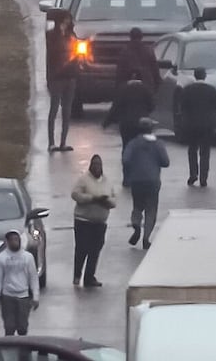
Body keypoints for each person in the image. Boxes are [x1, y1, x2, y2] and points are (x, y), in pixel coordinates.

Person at [121, 119, 170, 250]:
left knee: (137, 206)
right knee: (151, 210)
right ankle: (146, 238)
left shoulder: (133, 143)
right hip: (153, 180)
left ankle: (136, 224)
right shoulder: (158, 144)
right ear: (151, 129)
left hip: (136, 180)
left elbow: (125, 159)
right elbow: (166, 162)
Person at [70, 154, 116, 288]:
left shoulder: (107, 181)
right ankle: (77, 275)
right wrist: (92, 198)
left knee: (95, 250)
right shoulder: (83, 179)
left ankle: (89, 277)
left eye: (99, 165)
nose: (97, 167)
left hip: (100, 222)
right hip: (83, 221)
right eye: (94, 164)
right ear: (90, 166)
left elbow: (114, 200)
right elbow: (75, 194)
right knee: (82, 249)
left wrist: (106, 201)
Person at [0, 229, 40, 335]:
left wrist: (36, 297)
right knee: (9, 327)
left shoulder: (27, 257)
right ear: (7, 242)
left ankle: (22, 350)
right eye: (12, 240)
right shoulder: (2, 258)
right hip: (8, 297)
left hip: (23, 297)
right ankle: (10, 349)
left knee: (22, 327)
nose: (14, 242)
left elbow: (33, 277)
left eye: (16, 239)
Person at [44, 9, 79, 152]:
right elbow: (53, 52)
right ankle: (51, 143)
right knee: (54, 109)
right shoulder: (52, 35)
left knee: (67, 110)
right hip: (56, 77)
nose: (68, 22)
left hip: (70, 76)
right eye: (65, 20)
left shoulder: (72, 36)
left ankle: (63, 142)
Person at [178, 67, 216, 187]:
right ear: (204, 76)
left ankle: (193, 174)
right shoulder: (211, 90)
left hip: (191, 125)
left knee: (192, 150)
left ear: (195, 75)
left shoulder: (187, 90)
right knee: (205, 152)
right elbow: (215, 107)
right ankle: (203, 178)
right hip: (206, 125)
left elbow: (183, 107)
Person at [109, 76, 155, 150]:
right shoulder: (146, 89)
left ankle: (127, 158)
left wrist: (107, 121)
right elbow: (152, 106)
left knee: (126, 145)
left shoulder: (123, 88)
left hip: (126, 124)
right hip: (142, 123)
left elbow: (116, 106)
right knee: (143, 146)